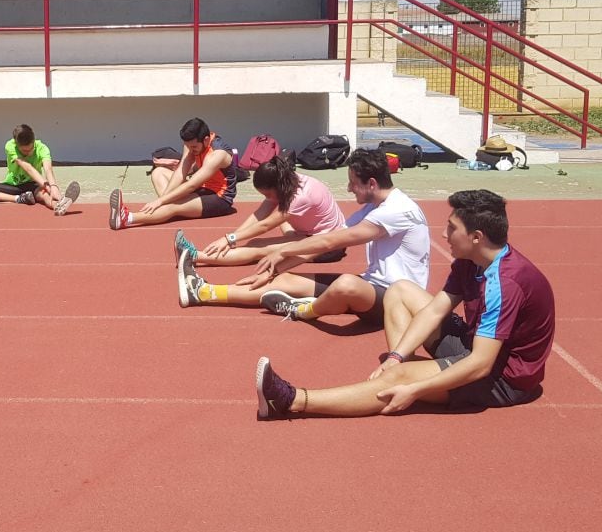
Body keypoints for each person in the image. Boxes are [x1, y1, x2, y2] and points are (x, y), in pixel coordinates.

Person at [254, 189, 555, 418]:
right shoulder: (471, 260)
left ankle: (291, 401)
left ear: (476, 236)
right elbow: (435, 309)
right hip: (476, 344)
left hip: (500, 377)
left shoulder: (505, 283)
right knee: (400, 290)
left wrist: (414, 389)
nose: (443, 234)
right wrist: (397, 356)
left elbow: (481, 364)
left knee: (401, 381)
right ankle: (404, 373)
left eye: (452, 228)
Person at [178, 148, 430, 326]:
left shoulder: (398, 211)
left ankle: (305, 310)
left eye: (353, 183)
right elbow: (322, 243)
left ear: (371, 183)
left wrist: (284, 251)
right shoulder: (373, 207)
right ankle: (203, 292)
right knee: (282, 280)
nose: (349, 188)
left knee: (346, 284)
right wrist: (276, 268)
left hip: (398, 299)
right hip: (371, 287)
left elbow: (333, 241)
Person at [173, 155, 346, 270]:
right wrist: (233, 237)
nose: (267, 198)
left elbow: (265, 225)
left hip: (327, 245)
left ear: (276, 186)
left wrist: (229, 239)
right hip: (310, 232)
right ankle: (288, 241)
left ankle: (194, 256)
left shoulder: (301, 197)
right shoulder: (287, 181)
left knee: (257, 246)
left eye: (268, 194)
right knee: (264, 235)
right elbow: (259, 215)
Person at [108, 117, 236, 230]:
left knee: (174, 205)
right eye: (188, 146)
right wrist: (164, 199)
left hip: (220, 198)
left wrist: (161, 202)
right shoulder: (193, 143)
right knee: (158, 172)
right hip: (202, 188)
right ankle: (162, 212)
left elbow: (191, 185)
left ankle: (127, 218)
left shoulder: (217, 155)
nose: (191, 150)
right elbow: (181, 171)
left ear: (206, 140)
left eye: (194, 147)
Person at [0, 124, 80, 214]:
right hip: (12, 186)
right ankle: (18, 199)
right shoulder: (10, 146)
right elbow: (27, 167)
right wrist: (48, 186)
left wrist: (53, 187)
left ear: (34, 141)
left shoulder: (43, 148)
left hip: (34, 185)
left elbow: (48, 168)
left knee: (44, 196)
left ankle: (59, 205)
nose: (27, 153)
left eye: (30, 149)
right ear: (16, 144)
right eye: (24, 151)